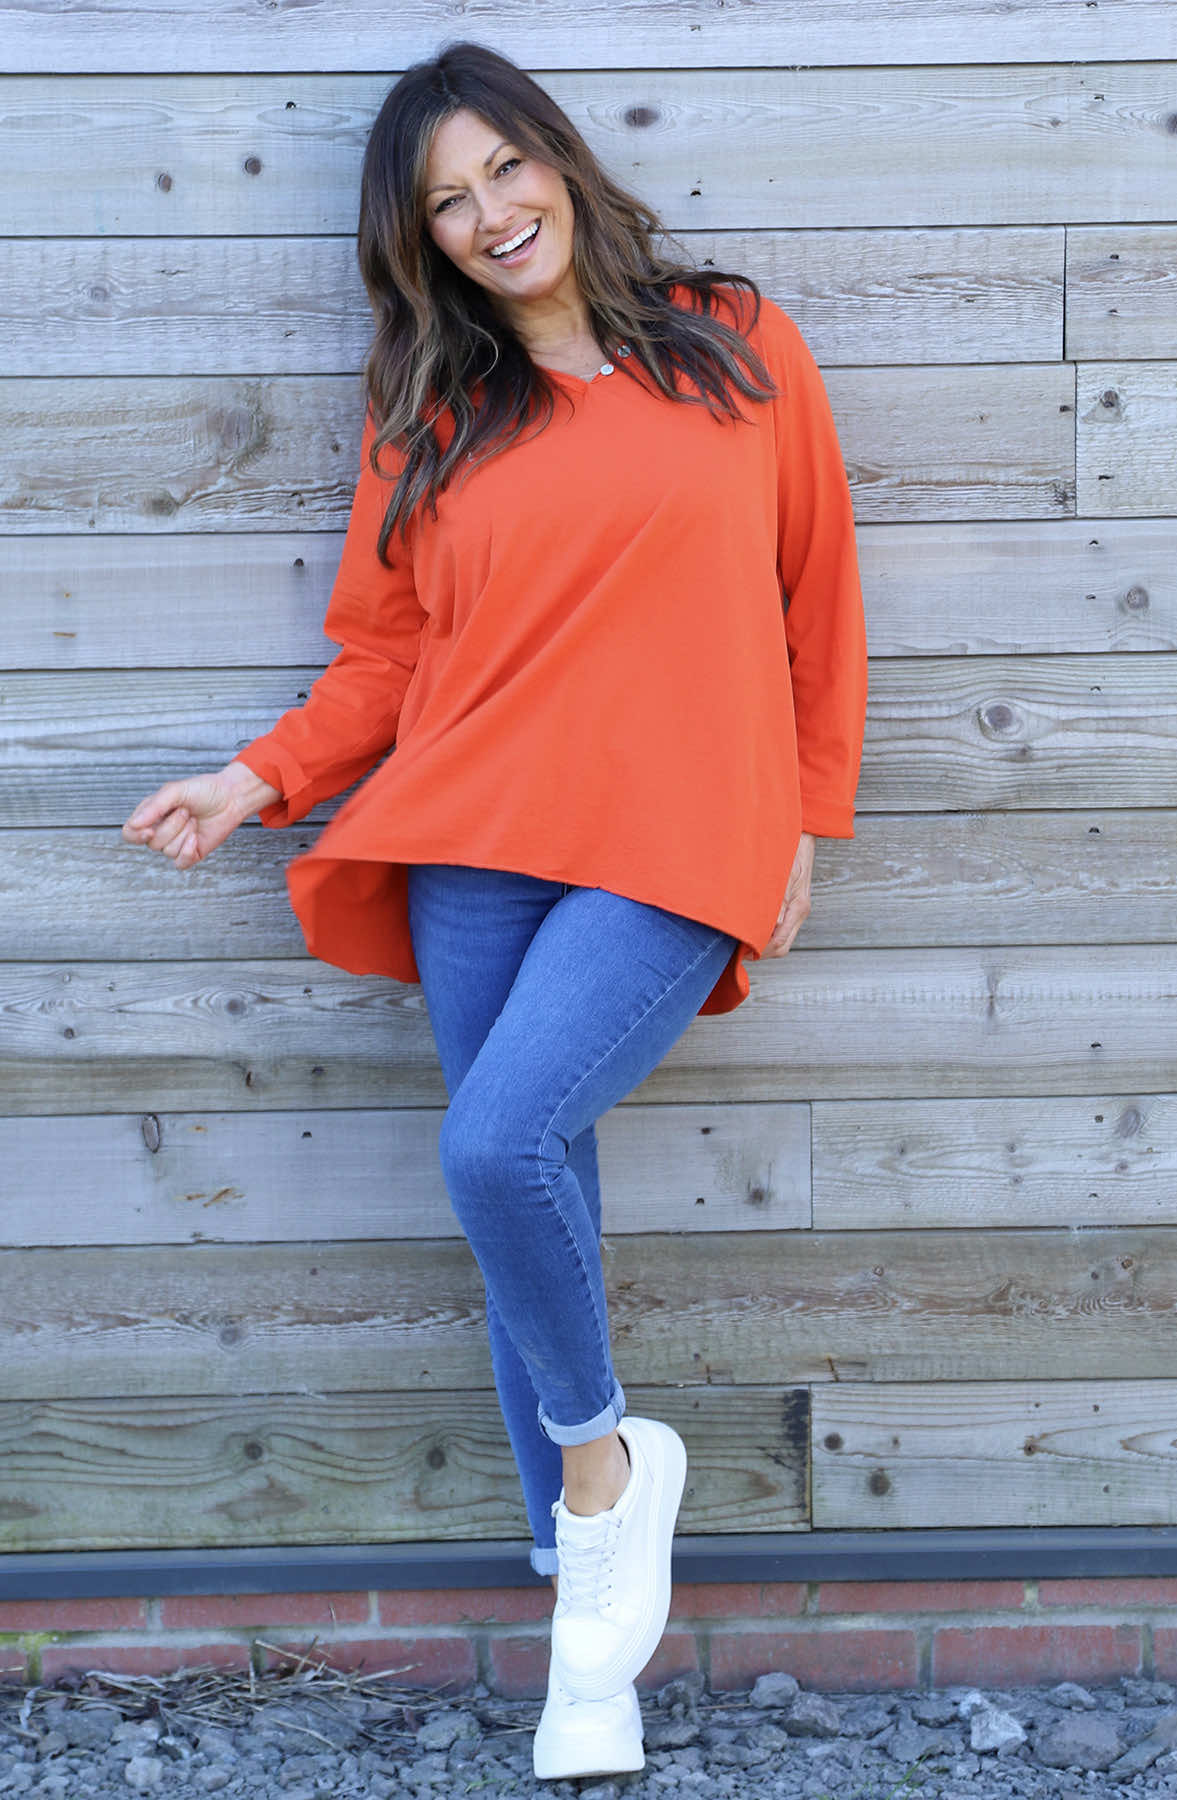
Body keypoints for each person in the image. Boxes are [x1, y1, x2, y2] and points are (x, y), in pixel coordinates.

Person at [122, 39, 868, 1781]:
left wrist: (805, 815)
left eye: (504, 171)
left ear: (558, 157)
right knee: (531, 1212)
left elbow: (820, 594)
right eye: (448, 206)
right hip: (476, 841)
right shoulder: (435, 410)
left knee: (493, 1145)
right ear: (425, 245)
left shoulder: (736, 342)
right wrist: (258, 778)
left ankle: (605, 1475)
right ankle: (586, 1665)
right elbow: (384, 658)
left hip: (673, 841)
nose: (491, 216)